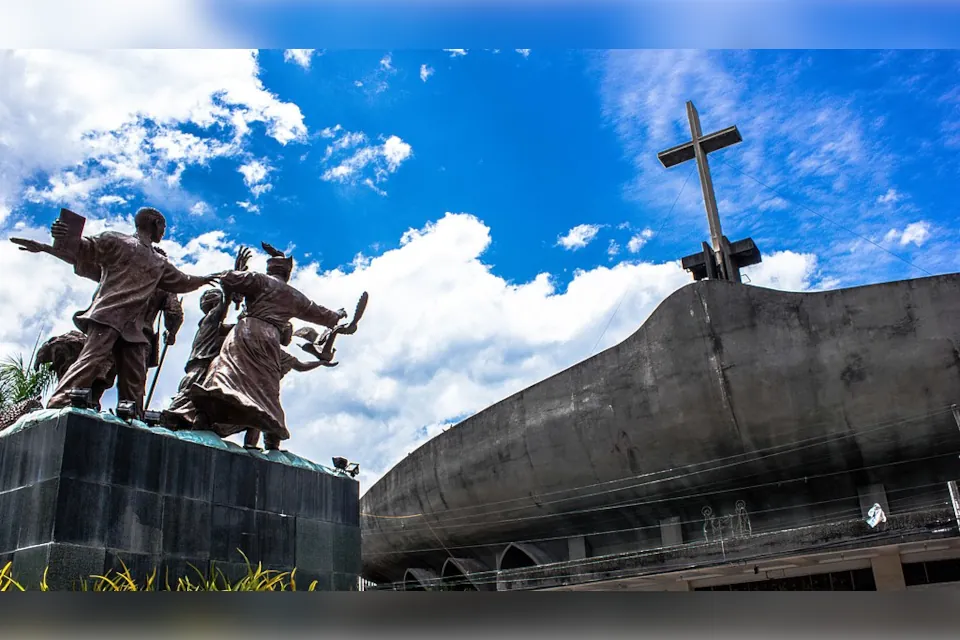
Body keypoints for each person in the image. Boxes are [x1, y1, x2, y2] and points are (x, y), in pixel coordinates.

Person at [14, 207, 221, 418]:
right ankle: (60, 402)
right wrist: (62, 237)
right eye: (163, 227)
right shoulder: (117, 241)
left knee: (134, 374)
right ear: (154, 223)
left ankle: (133, 414)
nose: (164, 232)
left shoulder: (159, 263)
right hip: (109, 316)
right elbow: (83, 248)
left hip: (135, 328)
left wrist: (203, 279)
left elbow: (182, 280)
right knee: (91, 359)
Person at [186, 243, 345, 450]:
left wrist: (238, 282)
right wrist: (338, 316)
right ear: (287, 273)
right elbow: (319, 312)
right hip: (270, 339)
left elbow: (227, 278)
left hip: (245, 332)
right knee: (266, 387)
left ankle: (204, 418)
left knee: (227, 375)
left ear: (270, 269)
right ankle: (271, 441)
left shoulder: (258, 280)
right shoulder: (294, 296)